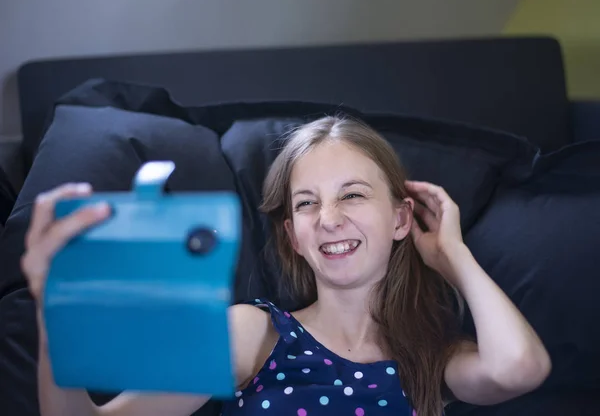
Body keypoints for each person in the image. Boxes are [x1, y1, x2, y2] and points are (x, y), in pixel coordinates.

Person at [22, 116, 551, 416]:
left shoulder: (432, 356)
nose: (328, 219)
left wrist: (452, 256)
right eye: (306, 204)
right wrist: (53, 313)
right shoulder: (251, 333)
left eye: (353, 195)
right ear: (293, 237)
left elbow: (519, 369)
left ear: (400, 219)